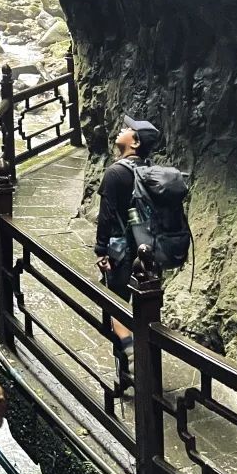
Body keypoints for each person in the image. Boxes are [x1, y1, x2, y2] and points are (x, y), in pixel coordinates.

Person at [95, 114, 162, 395]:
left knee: (114, 307)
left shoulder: (115, 173)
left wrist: (101, 250)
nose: (121, 130)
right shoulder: (151, 170)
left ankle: (131, 361)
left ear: (134, 142)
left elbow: (107, 215)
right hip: (149, 252)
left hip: (121, 252)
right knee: (145, 311)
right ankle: (141, 370)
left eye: (127, 129)